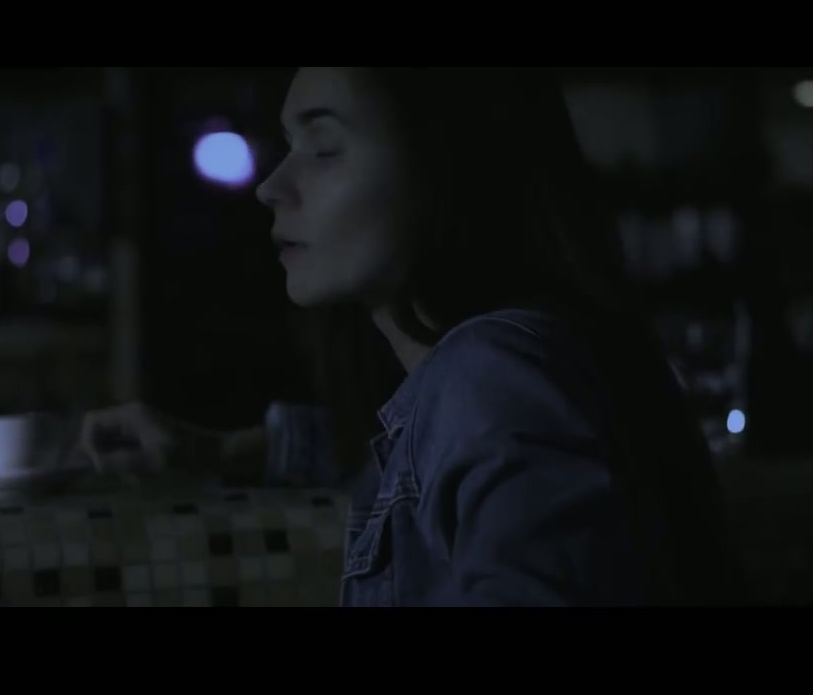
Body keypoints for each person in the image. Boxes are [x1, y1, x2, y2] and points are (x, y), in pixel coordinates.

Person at [79, 67, 739, 606]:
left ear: (449, 162)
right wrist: (224, 451)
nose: (271, 186)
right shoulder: (487, 382)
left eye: (324, 147)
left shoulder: (492, 377)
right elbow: (416, 463)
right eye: (287, 145)